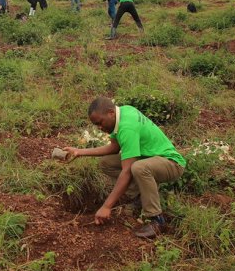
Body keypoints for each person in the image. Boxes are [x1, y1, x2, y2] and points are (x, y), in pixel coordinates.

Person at [63, 97, 186, 239]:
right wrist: (80, 152)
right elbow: (114, 148)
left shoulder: (127, 127)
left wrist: (107, 206)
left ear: (110, 113)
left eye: (100, 123)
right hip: (150, 158)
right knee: (106, 163)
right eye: (96, 125)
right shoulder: (122, 112)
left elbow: (127, 171)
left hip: (171, 163)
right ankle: (141, 196)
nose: (99, 128)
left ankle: (156, 219)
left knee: (138, 168)